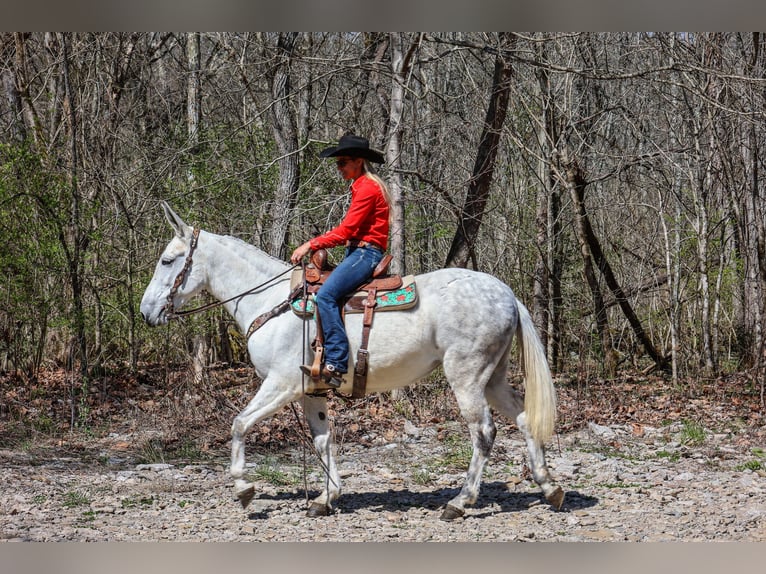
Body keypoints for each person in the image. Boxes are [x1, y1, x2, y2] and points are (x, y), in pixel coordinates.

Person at [290, 134, 391, 388]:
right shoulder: (360, 185)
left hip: (365, 254)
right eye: (337, 163)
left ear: (358, 161)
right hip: (357, 252)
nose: (339, 168)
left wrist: (309, 244)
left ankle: (336, 362)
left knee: (325, 296)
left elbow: (346, 231)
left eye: (342, 162)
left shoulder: (367, 188)